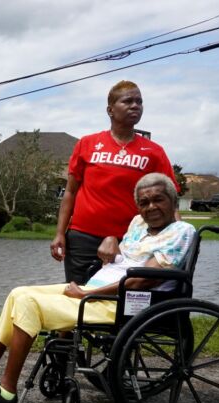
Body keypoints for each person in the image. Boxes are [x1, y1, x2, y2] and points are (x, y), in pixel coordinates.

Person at [0, 173, 195, 403]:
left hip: (120, 302)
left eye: (158, 200)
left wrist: (88, 293)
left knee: (28, 304)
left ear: (173, 202)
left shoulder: (181, 231)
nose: (151, 207)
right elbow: (126, 258)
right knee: (17, 292)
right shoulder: (138, 224)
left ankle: (6, 395)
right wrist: (111, 240)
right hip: (96, 292)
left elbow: (140, 280)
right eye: (144, 202)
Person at [51, 80, 179, 285]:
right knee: (79, 298)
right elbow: (70, 192)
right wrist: (60, 234)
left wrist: (176, 237)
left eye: (139, 101)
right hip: (83, 238)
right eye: (128, 101)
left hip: (131, 242)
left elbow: (171, 201)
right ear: (110, 110)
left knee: (123, 300)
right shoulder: (87, 144)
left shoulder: (154, 152)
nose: (135, 106)